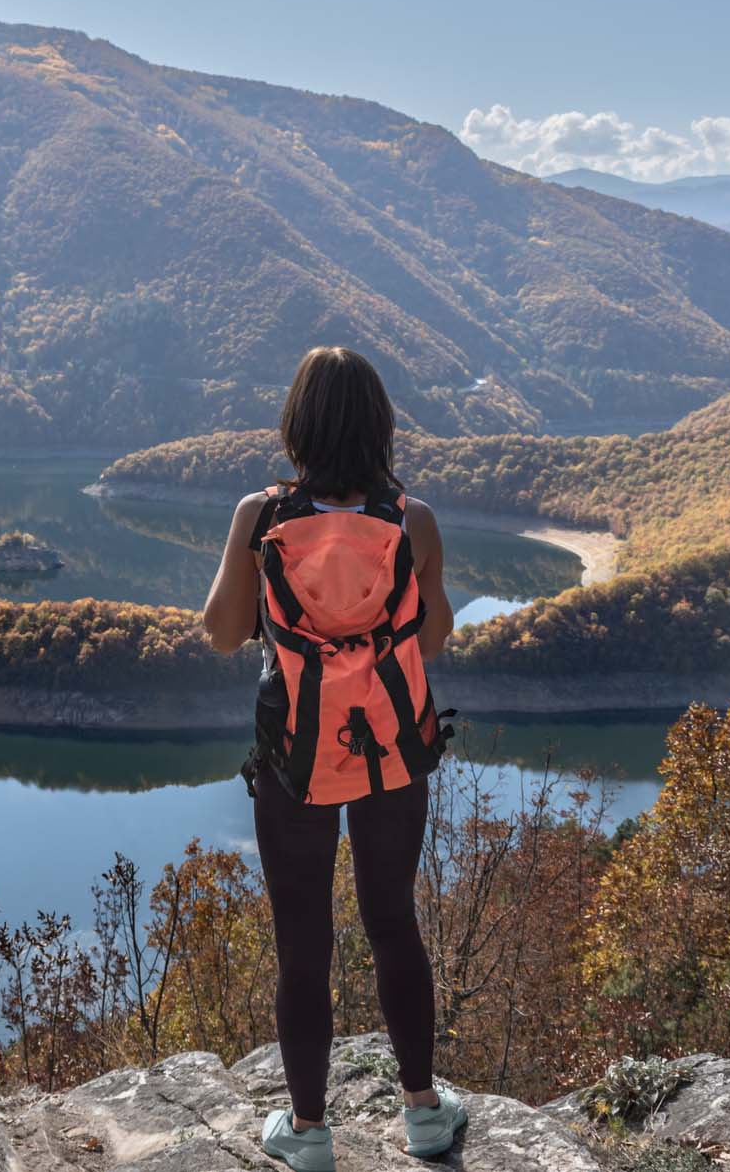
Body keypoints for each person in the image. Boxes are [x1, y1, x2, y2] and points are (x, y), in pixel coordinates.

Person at [201, 345, 466, 1169]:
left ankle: (310, 1134)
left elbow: (220, 631)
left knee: (303, 942)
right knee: (394, 923)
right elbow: (433, 633)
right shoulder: (410, 521)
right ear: (381, 427)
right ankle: (423, 1113)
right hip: (390, 747)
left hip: (294, 755)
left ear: (298, 424)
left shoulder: (261, 517)